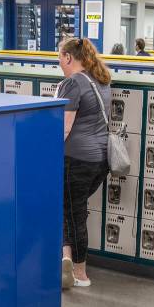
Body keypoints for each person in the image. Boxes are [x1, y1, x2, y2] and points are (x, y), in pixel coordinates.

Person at [56, 37, 112, 289]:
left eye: (59, 58)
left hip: (75, 160)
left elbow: (64, 128)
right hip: (99, 161)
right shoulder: (100, 80)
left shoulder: (72, 83)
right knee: (68, 210)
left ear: (68, 57)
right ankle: (65, 258)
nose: (59, 63)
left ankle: (80, 273)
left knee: (73, 214)